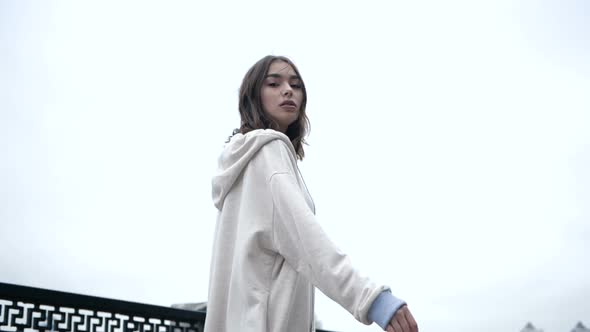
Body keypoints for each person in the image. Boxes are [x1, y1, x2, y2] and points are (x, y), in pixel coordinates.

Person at [204, 55, 419, 332]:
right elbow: (308, 241)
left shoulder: (241, 163)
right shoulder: (269, 153)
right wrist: (374, 300)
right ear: (253, 96)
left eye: (296, 85)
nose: (288, 90)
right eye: (273, 83)